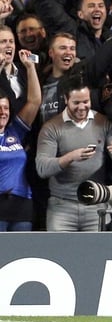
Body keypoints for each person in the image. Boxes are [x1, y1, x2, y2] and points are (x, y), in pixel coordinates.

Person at [36, 74, 112, 232]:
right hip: (62, 207)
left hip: (96, 206)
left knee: (96, 255)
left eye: (86, 102)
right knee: (58, 255)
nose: (82, 107)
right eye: (76, 102)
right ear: (66, 99)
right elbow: (42, 169)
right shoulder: (51, 127)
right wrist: (70, 157)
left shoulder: (103, 122)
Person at [0, 49, 41, 231]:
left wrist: (30, 68)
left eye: (6, 108)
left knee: (21, 254)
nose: (3, 112)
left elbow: (34, 102)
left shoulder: (15, 131)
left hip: (23, 203)